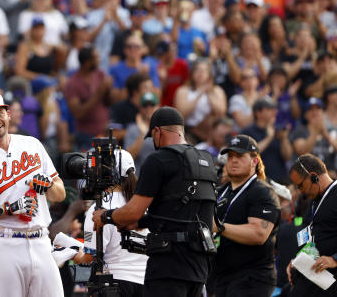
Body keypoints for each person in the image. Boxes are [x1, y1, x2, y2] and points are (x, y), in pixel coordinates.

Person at [93, 107, 217, 297]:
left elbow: (133, 211)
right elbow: (182, 212)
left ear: (157, 131)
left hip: (168, 266)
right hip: (199, 267)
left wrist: (106, 216)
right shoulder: (206, 160)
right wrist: (142, 222)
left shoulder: (158, 161)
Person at [0, 92, 66, 297]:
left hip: (41, 240)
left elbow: (59, 195)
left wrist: (48, 185)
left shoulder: (32, 144)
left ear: (8, 114)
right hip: (3, 243)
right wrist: (9, 209)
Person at [212, 135, 281, 297]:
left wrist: (219, 227)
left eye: (240, 156)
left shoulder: (263, 191)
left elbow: (259, 234)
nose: (233, 161)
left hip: (252, 278)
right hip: (220, 277)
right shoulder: (220, 192)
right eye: (230, 156)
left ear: (254, 161)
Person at [74, 150, 148, 296]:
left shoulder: (99, 210)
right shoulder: (144, 205)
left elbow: (90, 257)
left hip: (115, 285)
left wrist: (73, 254)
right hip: (148, 284)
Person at [287, 154, 337, 296]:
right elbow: (309, 236)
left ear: (314, 176)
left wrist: (334, 259)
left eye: (301, 186)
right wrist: (296, 260)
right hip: (313, 277)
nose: (300, 191)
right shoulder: (313, 203)